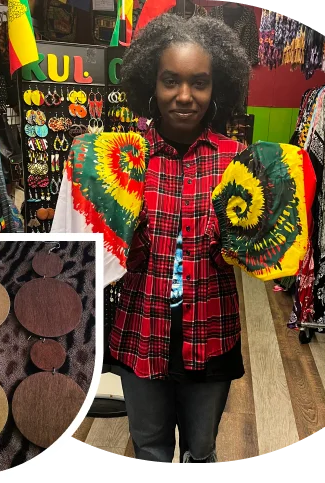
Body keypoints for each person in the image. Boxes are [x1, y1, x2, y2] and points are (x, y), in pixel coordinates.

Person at [108, 13, 252, 464]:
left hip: (211, 330)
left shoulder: (240, 162)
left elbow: (258, 252)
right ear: (150, 83)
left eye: (200, 83)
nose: (185, 96)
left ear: (218, 88)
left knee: (203, 449)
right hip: (140, 328)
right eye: (171, 81)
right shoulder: (122, 159)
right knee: (149, 449)